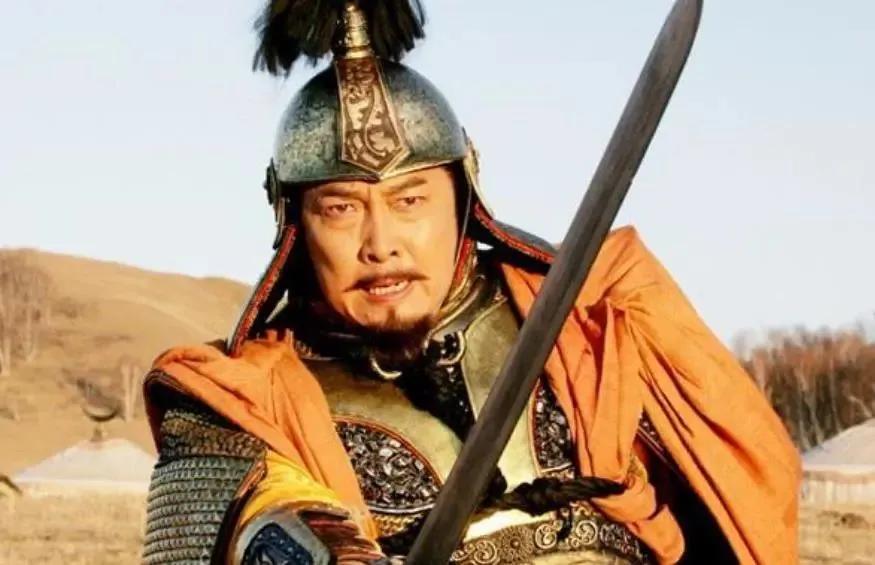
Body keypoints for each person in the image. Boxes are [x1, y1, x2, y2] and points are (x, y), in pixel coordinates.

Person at [141, 2, 800, 563]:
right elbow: (259, 516)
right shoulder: (243, 405)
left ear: (464, 195)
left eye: (410, 201)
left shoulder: (594, 328)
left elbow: (740, 493)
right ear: (292, 222)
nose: (380, 243)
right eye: (340, 208)